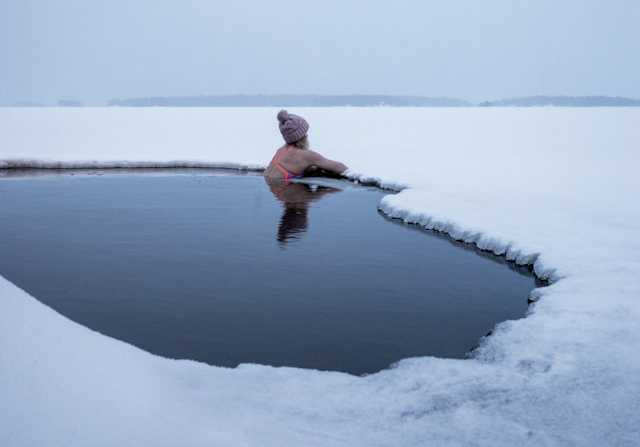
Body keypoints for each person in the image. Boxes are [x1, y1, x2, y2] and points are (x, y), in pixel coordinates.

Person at [263, 110, 348, 179]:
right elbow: (340, 168)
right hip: (286, 192)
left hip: (273, 191)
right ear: (302, 136)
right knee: (323, 192)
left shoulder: (280, 150)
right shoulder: (306, 155)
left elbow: (293, 166)